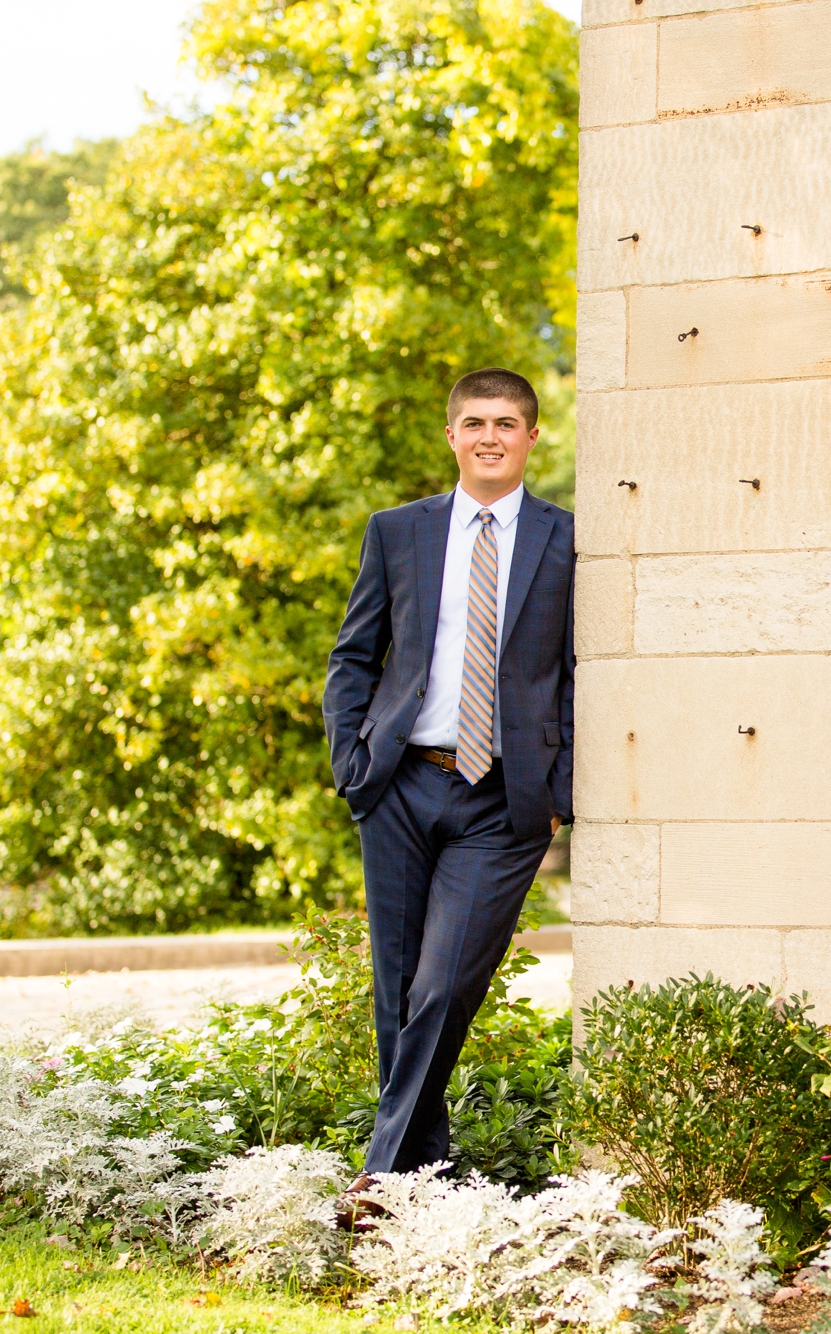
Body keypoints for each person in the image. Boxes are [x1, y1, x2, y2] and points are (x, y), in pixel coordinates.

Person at [323, 367, 573, 1214]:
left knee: (441, 986)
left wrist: (558, 783)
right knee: (396, 988)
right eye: (475, 422)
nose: (491, 436)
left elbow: (579, 670)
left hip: (502, 801)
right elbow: (355, 653)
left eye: (507, 423)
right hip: (399, 784)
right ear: (452, 435)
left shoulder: (567, 540)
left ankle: (383, 1175)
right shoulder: (398, 532)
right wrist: (353, 764)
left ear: (533, 437)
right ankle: (424, 1177)